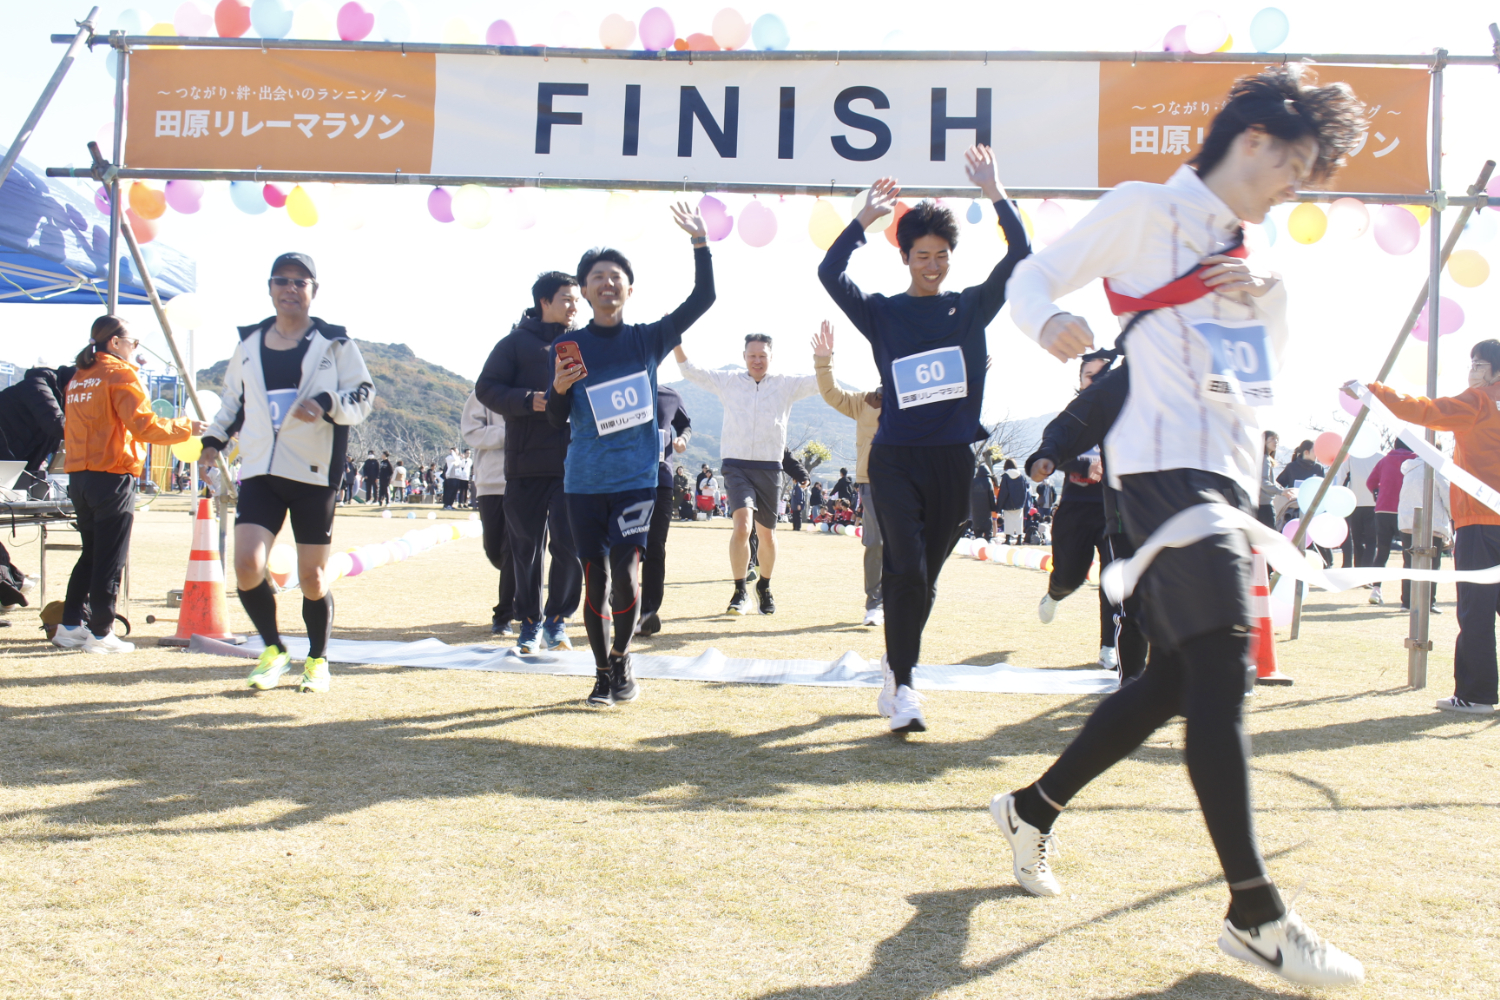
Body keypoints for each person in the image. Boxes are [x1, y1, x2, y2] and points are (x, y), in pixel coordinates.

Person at [996, 67, 1367, 987]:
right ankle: (1254, 912)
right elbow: (1030, 275)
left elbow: (1261, 370)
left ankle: (1031, 807)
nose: (1293, 188)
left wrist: (1268, 294)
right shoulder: (1144, 209)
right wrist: (1049, 320)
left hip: (1228, 478)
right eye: (1295, 167)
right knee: (1226, 666)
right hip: (1162, 469)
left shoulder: (1245, 250)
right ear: (1254, 141)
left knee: (1175, 676)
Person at [819, 144, 1030, 733]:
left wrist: (994, 190)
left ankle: (895, 667)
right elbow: (830, 274)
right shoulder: (882, 314)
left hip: (952, 462)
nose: (932, 265)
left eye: (941, 256)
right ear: (905, 257)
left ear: (950, 259)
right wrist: (864, 220)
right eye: (921, 256)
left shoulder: (971, 308)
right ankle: (907, 688)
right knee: (905, 567)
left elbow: (1021, 254)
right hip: (895, 459)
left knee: (925, 579)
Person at [545, 202, 714, 706]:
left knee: (626, 572)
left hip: (636, 480)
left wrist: (700, 243)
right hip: (584, 481)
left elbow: (704, 297)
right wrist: (557, 389)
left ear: (629, 289)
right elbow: (556, 420)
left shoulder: (647, 339)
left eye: (615, 277)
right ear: (585, 290)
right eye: (597, 277)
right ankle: (603, 673)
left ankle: (621, 657)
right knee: (594, 578)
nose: (607, 283)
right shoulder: (569, 347)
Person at [199, 252, 374, 692]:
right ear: (270, 288)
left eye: (300, 282)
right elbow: (233, 402)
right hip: (261, 470)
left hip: (314, 475)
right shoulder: (249, 344)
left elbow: (363, 395)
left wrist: (327, 403)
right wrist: (212, 442)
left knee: (313, 578)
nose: (290, 289)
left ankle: (317, 659)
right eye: (282, 280)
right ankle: (274, 651)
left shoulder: (335, 343)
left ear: (314, 290)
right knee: (247, 564)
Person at [1364, 339, 1500, 713]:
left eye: (1478, 364)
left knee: (1475, 609)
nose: (1472, 370)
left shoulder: (1479, 401)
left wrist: (1376, 392)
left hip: (1479, 520)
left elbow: (1427, 411)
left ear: (1494, 372)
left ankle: (1476, 695)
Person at [49, 317, 199, 653]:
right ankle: (101, 632)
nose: (136, 349)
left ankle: (70, 625)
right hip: (112, 473)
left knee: (91, 554)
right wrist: (186, 427)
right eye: (134, 342)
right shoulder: (120, 374)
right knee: (109, 558)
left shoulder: (79, 377)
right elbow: (144, 425)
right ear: (115, 342)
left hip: (80, 475)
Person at [475, 271, 585, 654]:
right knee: (525, 548)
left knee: (569, 545)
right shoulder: (514, 344)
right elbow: (486, 388)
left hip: (573, 463)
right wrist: (528, 400)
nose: (574, 306)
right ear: (545, 302)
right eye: (567, 299)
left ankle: (557, 620)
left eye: (577, 300)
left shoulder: (584, 343)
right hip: (525, 463)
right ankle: (530, 622)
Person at [676, 333, 819, 616]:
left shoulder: (785, 384)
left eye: (762, 355)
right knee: (742, 527)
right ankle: (740, 591)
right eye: (752, 355)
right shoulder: (728, 381)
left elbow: (821, 383)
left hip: (770, 467)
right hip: (736, 465)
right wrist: (675, 342)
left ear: (771, 357)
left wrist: (825, 358)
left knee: (767, 535)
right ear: (744, 356)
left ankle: (764, 586)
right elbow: (690, 371)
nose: (757, 360)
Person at [1029, 353, 1145, 675]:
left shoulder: (1125, 406)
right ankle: (1056, 592)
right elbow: (1057, 446)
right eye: (1088, 375)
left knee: (1114, 579)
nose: (1095, 380)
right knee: (1071, 575)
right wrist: (1083, 465)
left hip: (1112, 508)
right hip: (1075, 508)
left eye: (1101, 373)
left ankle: (1109, 647)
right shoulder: (1076, 414)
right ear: (1080, 382)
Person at [812, 320, 885, 624]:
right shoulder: (865, 401)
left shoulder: (919, 401)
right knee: (876, 543)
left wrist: (971, 378)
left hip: (911, 481)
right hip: (872, 482)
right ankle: (875, 604)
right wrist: (824, 360)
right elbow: (832, 393)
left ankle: (901, 601)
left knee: (908, 543)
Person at [638, 384, 692, 637]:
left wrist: (682, 438)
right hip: (624, 481)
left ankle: (648, 612)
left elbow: (685, 425)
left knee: (655, 546)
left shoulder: (670, 396)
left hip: (661, 480)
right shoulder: (619, 386)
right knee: (623, 547)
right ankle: (620, 599)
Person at [461, 390, 516, 636]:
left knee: (514, 549)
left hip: (527, 480)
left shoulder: (539, 384)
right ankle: (516, 586)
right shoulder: (484, 392)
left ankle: (504, 614)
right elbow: (471, 431)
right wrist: (510, 433)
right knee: (494, 550)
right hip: (491, 481)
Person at [0, 361, 73, 497]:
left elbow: (43, 449)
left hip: (13, 459)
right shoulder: (37, 385)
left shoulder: (60, 402)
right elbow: (57, 425)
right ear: (70, 384)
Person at [1366, 438, 1416, 606]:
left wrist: (1377, 493)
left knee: (1382, 551)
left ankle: (1376, 589)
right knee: (1408, 555)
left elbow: (1370, 482)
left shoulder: (1385, 460)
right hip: (1406, 511)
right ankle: (1407, 599)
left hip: (1383, 510)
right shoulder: (1415, 459)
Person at [1396, 454, 1448, 613]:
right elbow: (1447, 496)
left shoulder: (1409, 469)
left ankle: (1407, 602)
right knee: (1432, 564)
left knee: (1409, 563)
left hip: (1408, 521)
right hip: (1432, 522)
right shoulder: (1437, 469)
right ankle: (1428, 602)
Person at [997, 459, 1027, 544]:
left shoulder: (1006, 476)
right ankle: (1019, 539)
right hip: (1019, 504)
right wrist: (1023, 503)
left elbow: (1003, 492)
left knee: (1008, 522)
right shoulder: (1021, 476)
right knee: (1019, 521)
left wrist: (999, 506)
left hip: (1008, 503)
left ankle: (1008, 540)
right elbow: (1025, 491)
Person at [1257, 431, 1280, 527]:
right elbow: (1263, 482)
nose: (1276, 442)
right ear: (1264, 441)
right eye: (1272, 439)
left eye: (1277, 439)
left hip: (1259, 504)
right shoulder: (1265, 459)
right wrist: (1281, 491)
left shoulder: (1262, 458)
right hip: (1265, 505)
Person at [970, 461, 997, 541]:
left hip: (975, 510)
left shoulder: (973, 481)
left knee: (977, 530)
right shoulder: (988, 481)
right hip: (986, 509)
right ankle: (988, 539)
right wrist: (993, 507)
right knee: (987, 529)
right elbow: (991, 495)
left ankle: (978, 539)